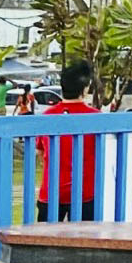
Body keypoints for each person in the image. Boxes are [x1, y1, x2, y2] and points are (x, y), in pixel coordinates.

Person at [36, 60, 98, 222]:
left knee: (44, 242)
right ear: (85, 88)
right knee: (83, 243)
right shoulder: (97, 118)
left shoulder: (47, 117)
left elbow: (40, 151)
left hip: (51, 190)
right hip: (85, 192)